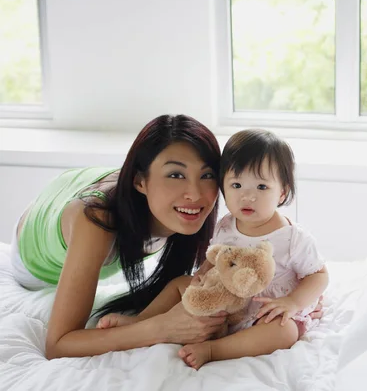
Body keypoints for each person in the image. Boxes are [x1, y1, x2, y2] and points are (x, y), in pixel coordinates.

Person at [97, 129, 329, 370]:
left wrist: (292, 302)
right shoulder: (226, 225)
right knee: (180, 283)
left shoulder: (292, 238)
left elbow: (319, 275)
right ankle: (141, 321)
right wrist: (202, 273)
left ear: (282, 192)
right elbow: (216, 257)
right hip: (225, 302)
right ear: (223, 187)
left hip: (266, 311)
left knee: (285, 331)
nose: (247, 196)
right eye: (237, 185)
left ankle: (214, 349)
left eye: (261, 187)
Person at [12, 115, 233, 359]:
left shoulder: (196, 213)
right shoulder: (97, 220)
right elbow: (59, 344)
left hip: (80, 186)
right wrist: (161, 328)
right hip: (33, 247)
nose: (195, 193)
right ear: (139, 181)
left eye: (207, 175)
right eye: (175, 175)